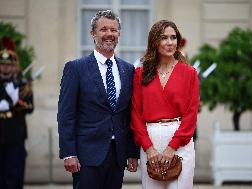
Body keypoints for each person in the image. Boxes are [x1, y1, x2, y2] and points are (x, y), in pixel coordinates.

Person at [57, 10, 139, 189]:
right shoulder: (75, 69)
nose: (109, 34)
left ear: (119, 34)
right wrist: (68, 152)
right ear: (93, 33)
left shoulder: (128, 70)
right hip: (86, 156)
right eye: (103, 29)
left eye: (114, 30)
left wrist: (133, 152)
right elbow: (66, 115)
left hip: (118, 155)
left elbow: (130, 115)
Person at [131, 20, 199, 189]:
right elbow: (135, 114)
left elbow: (191, 114)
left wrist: (171, 148)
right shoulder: (141, 73)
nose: (170, 43)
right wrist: (149, 149)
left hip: (180, 143)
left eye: (173, 37)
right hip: (150, 142)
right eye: (164, 38)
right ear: (155, 41)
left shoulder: (189, 73)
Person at [0, 48, 34, 189]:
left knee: (14, 178)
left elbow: (30, 107)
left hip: (15, 136)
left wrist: (15, 102)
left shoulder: (22, 84)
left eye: (9, 64)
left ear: (14, 66)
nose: (5, 66)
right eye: (2, 64)